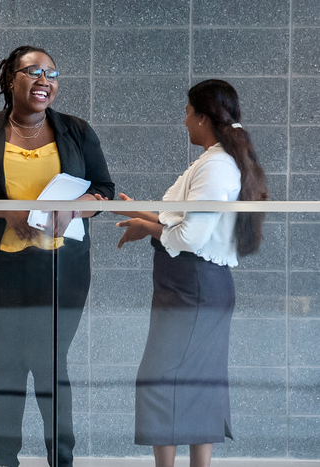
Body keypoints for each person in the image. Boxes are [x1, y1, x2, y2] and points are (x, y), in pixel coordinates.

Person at [0, 45, 114, 467]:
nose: (45, 80)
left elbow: (105, 192)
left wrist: (74, 207)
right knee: (8, 365)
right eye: (34, 71)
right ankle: (6, 460)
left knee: (51, 364)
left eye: (52, 73)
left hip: (63, 269)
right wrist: (6, 209)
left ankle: (61, 460)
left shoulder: (77, 131)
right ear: (10, 79)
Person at [106, 79, 268, 467]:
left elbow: (192, 237)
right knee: (199, 382)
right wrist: (141, 212)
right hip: (195, 286)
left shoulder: (215, 166)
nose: (184, 121)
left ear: (202, 117)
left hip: (193, 286)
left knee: (159, 380)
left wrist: (147, 227)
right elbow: (179, 218)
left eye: (186, 113)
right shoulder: (214, 160)